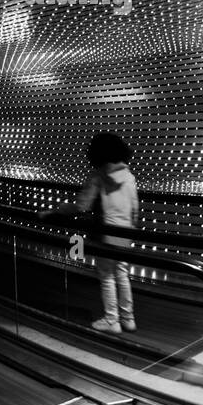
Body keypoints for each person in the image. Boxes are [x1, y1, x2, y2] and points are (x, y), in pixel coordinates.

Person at [44, 132, 139, 334]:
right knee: (122, 274)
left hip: (105, 232)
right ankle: (128, 319)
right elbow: (134, 208)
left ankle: (112, 321)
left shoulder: (98, 176)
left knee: (107, 276)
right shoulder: (129, 176)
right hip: (125, 232)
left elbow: (81, 206)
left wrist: (58, 209)